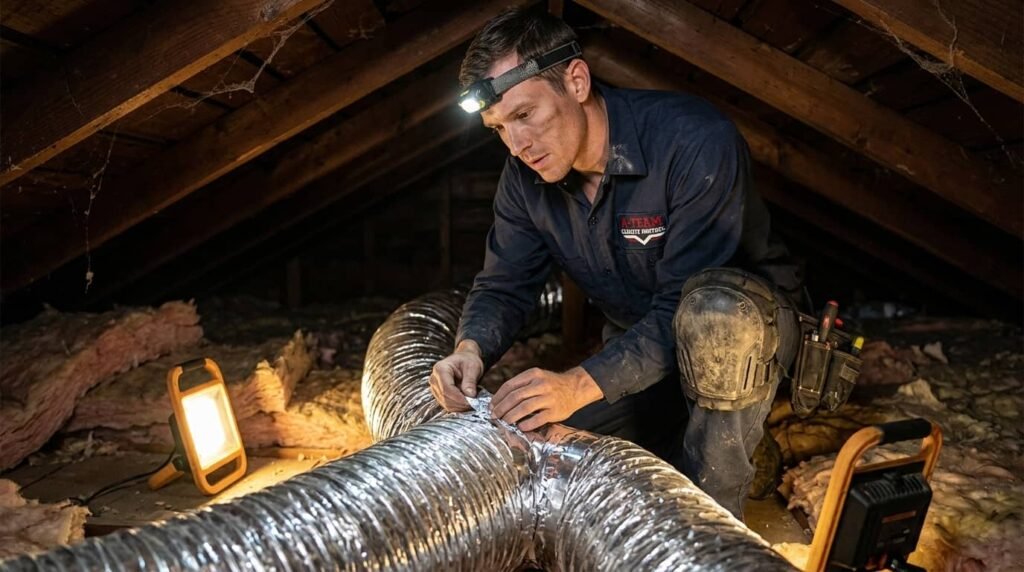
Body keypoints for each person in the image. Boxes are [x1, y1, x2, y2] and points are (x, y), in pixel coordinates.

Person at [429, 8, 803, 519]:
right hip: (637, 348)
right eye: (498, 129)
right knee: (552, 455)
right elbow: (505, 282)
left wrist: (578, 384)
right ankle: (704, 439)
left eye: (524, 115)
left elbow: (685, 305)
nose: (517, 146)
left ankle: (715, 517)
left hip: (743, 341)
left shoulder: (693, 141)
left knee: (716, 320)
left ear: (576, 81)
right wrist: (470, 348)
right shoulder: (524, 181)